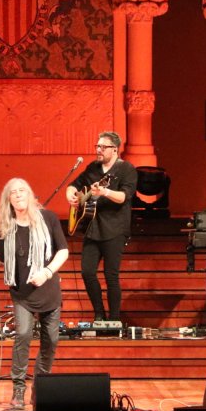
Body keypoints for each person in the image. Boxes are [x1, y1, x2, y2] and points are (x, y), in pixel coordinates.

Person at [0, 177, 68, 409]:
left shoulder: (48, 219)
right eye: (13, 192)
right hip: (22, 294)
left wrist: (47, 272)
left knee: (51, 341)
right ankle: (18, 389)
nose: (18, 195)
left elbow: (63, 252)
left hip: (48, 290)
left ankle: (41, 387)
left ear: (29, 195)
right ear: (8, 200)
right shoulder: (6, 228)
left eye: (22, 191)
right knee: (24, 334)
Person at [66, 131, 137, 323]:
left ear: (114, 149)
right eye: (97, 146)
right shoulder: (93, 168)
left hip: (115, 229)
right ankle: (99, 313)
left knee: (110, 275)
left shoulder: (126, 169)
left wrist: (104, 191)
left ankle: (114, 319)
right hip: (92, 227)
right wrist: (72, 195)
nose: (98, 150)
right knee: (87, 272)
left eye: (102, 147)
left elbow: (124, 196)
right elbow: (73, 185)